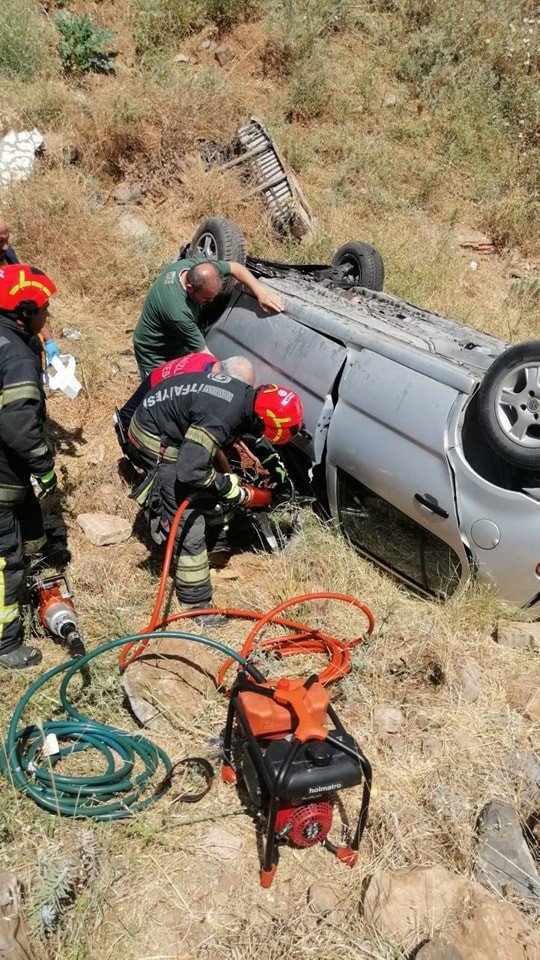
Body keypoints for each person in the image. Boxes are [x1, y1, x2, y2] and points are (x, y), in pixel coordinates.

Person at [125, 366, 303, 626]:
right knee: (189, 521)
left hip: (170, 424)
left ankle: (221, 538)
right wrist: (229, 489)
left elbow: (240, 438)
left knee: (207, 487)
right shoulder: (222, 416)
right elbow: (189, 470)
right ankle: (195, 605)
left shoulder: (244, 398)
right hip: (156, 439)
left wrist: (272, 476)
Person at [0, 264, 59, 669]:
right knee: (5, 560)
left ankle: (39, 568)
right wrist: (44, 465)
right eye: (44, 308)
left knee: (28, 525)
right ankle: (6, 644)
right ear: (25, 311)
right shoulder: (17, 355)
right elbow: (19, 425)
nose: (48, 316)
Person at [133, 258, 285, 377]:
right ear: (189, 288)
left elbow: (235, 267)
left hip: (176, 346)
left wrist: (260, 292)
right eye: (206, 299)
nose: (210, 302)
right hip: (154, 353)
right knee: (156, 393)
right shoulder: (178, 312)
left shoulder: (194, 268)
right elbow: (205, 356)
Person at [116, 351, 255, 435]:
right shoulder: (197, 383)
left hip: (155, 380)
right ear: (226, 379)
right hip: (148, 402)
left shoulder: (208, 360)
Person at [0, 218, 60, 364]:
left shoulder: (8, 257)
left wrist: (48, 340)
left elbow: (29, 301)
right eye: (0, 241)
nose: (6, 247)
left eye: (7, 240)